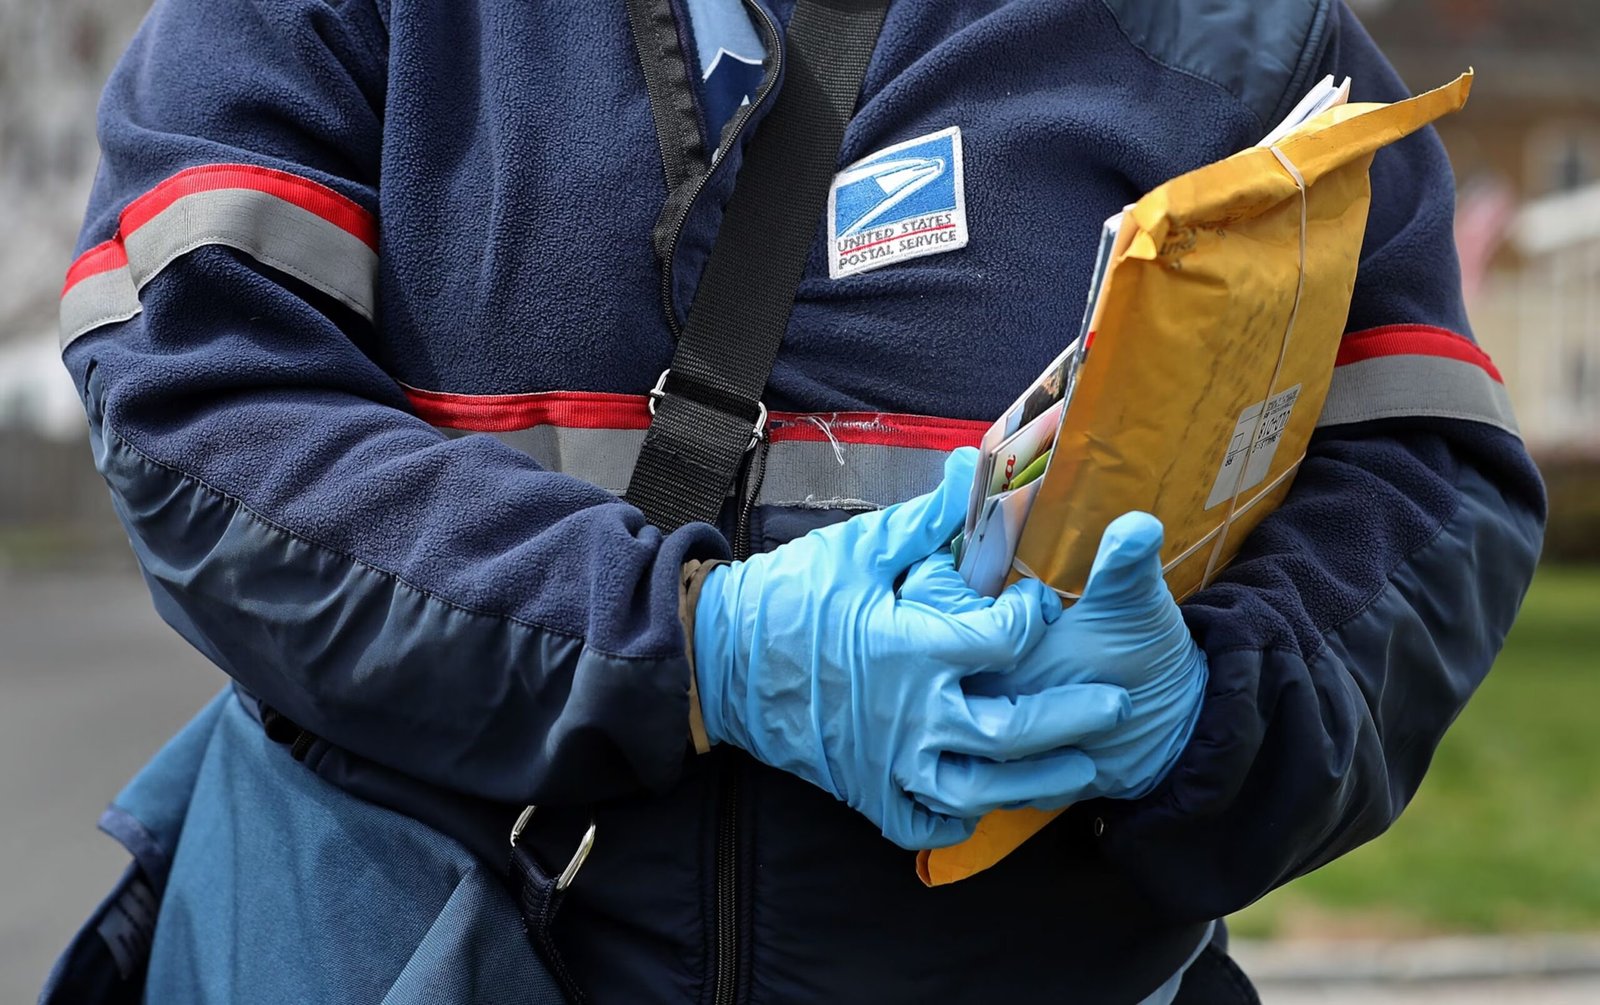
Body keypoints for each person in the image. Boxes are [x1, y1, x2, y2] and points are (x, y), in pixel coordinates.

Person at [43, 0, 1543, 1002]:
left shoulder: (1240, 36)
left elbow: (1428, 478)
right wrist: (689, 645)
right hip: (412, 949)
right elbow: (205, 399)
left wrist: (1208, 712)